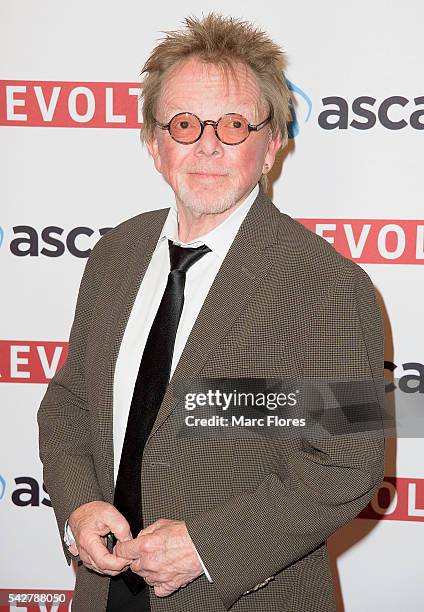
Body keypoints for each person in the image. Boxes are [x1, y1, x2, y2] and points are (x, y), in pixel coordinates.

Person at [37, 13, 385, 612]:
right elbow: (68, 401)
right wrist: (79, 504)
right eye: (184, 123)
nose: (207, 146)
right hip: (103, 590)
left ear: (271, 142)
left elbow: (345, 464)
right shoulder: (115, 254)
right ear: (153, 141)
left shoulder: (331, 284)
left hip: (241, 597)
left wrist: (206, 546)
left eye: (232, 125)